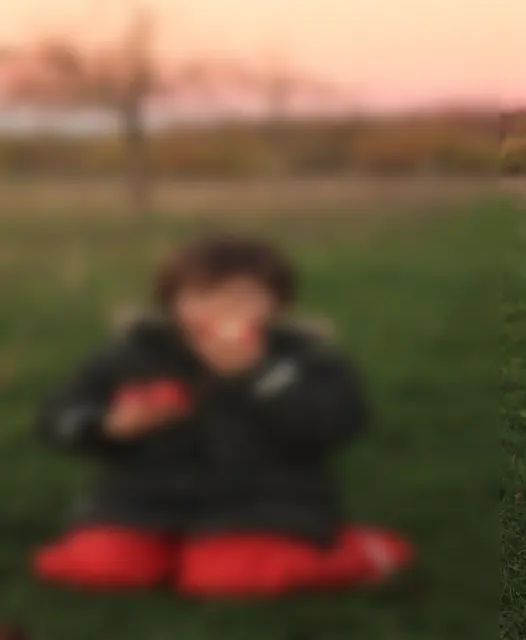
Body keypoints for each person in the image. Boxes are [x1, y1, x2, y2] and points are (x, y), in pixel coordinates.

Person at [32, 235, 412, 598]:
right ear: (172, 301)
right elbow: (56, 419)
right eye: (202, 295)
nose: (221, 309)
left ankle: (366, 550)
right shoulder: (132, 355)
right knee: (98, 568)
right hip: (142, 502)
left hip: (263, 504)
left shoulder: (303, 359)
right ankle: (173, 556)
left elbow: (335, 424)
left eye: (242, 297)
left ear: (277, 304)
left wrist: (254, 376)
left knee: (231, 578)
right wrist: (109, 425)